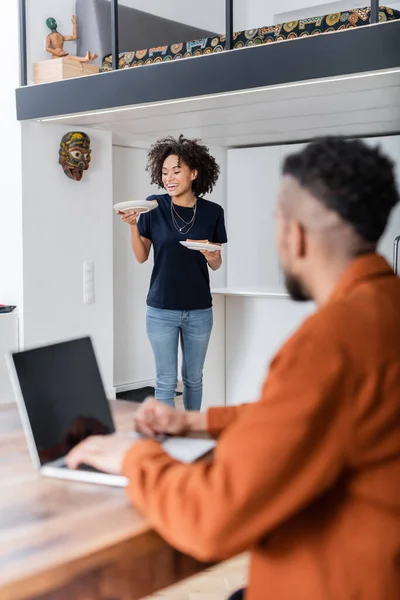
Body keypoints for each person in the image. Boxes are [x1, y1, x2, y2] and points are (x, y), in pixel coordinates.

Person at [67, 137, 400, 600]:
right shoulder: (384, 309)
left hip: (328, 582)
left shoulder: (330, 342)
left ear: (295, 233)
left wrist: (129, 457)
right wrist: (196, 420)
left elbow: (212, 519)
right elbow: (301, 419)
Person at [118, 135, 227, 411]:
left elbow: (216, 263)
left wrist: (213, 256)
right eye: (165, 172)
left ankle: (191, 435)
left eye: (176, 171)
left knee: (193, 379)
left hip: (200, 310)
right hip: (161, 309)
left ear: (193, 173)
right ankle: (167, 440)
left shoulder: (212, 212)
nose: (169, 178)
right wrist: (133, 225)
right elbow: (142, 256)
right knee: (166, 381)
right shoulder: (153, 206)